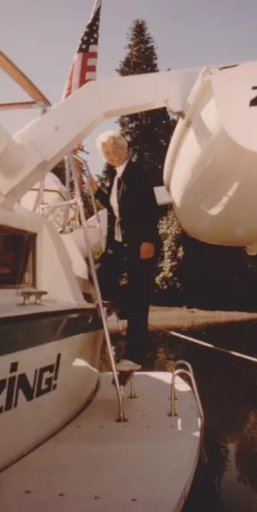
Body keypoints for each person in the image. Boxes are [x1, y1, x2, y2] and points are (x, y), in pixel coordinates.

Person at [87, 130, 161, 373]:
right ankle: (124, 306)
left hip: (141, 246)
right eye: (107, 153)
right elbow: (115, 209)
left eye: (116, 149)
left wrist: (148, 241)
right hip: (119, 246)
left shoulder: (138, 173)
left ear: (125, 147)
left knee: (140, 301)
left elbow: (150, 209)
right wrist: (96, 190)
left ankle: (134, 357)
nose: (112, 155)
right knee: (98, 275)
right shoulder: (117, 176)